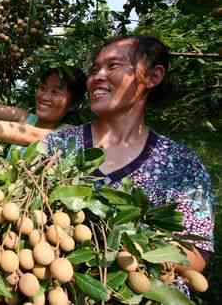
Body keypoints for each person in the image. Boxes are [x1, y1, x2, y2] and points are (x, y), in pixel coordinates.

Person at [43, 36, 214, 276]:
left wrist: (121, 246)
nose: (97, 77)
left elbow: (196, 254)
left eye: (112, 66)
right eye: (94, 69)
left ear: (153, 77)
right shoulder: (57, 145)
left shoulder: (182, 164)